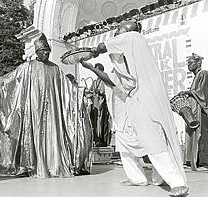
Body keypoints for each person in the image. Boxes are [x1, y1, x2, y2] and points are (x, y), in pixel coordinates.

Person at [79, 21, 188, 196]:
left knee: (154, 140)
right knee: (129, 142)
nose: (116, 32)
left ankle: (176, 182)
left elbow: (101, 47)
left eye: (120, 29)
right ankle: (141, 178)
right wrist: (91, 68)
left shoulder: (134, 38)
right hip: (134, 100)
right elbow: (113, 80)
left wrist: (91, 53)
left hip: (145, 99)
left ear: (130, 31)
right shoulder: (127, 58)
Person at [0, 33, 91, 178]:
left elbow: (67, 88)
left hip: (52, 112)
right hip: (34, 110)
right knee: (33, 134)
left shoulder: (55, 69)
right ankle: (31, 164)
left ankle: (52, 164)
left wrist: (79, 92)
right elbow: (10, 80)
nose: (46, 53)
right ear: (37, 52)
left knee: (52, 134)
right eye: (43, 51)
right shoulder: (27, 67)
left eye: (48, 51)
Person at [180, 53, 208, 170]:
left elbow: (201, 92)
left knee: (203, 135)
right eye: (188, 63)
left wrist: (188, 92)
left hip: (202, 109)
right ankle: (194, 161)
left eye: (191, 63)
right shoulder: (197, 75)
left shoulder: (203, 73)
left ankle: (204, 163)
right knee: (194, 134)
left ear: (198, 63)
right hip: (196, 108)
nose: (188, 66)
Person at [88, 63, 111, 147]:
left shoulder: (105, 81)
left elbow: (107, 93)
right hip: (95, 106)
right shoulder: (94, 81)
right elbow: (90, 91)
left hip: (102, 106)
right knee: (94, 122)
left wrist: (100, 92)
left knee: (101, 123)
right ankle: (96, 139)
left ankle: (102, 140)